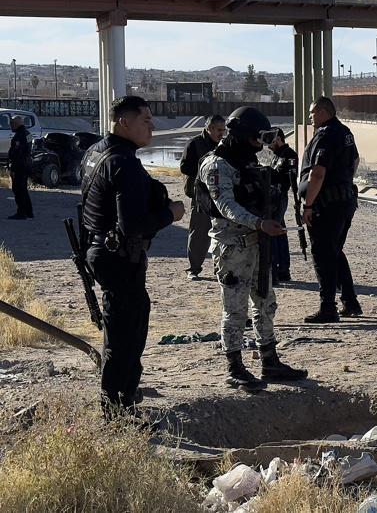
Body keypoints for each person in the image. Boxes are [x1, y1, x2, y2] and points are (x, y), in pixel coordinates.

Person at [80, 96, 185, 419]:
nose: (153, 126)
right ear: (125, 123)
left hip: (104, 253)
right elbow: (134, 224)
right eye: (146, 120)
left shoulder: (96, 152)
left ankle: (123, 401)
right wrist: (171, 213)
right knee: (124, 337)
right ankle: (116, 413)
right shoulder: (123, 163)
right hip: (118, 258)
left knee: (131, 324)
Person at [196, 106, 307, 391]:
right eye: (258, 139)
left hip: (258, 245)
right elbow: (225, 205)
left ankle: (269, 360)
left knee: (266, 302)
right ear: (243, 135)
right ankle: (234, 367)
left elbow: (274, 178)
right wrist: (258, 223)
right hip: (232, 247)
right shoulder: (216, 164)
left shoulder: (247, 161)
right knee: (235, 311)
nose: (260, 145)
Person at [299, 96, 362, 323]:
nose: (310, 118)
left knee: (323, 254)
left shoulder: (325, 135)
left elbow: (318, 173)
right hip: (344, 200)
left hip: (327, 204)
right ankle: (350, 301)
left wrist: (308, 205)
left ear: (324, 112)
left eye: (312, 113)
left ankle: (328, 308)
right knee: (335, 250)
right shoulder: (345, 132)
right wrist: (344, 182)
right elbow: (355, 162)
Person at [180, 115, 227, 280]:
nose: (222, 133)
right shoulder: (194, 143)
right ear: (209, 128)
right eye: (219, 130)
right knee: (199, 233)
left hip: (221, 196)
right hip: (200, 195)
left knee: (222, 232)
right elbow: (185, 166)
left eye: (224, 130)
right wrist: (205, 174)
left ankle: (219, 268)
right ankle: (193, 269)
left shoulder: (224, 145)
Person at [267, 128, 298, 284]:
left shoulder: (289, 155)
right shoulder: (277, 156)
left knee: (275, 231)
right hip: (273, 197)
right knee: (279, 231)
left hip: (280, 197)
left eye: (271, 142)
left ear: (278, 139)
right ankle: (282, 269)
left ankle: (279, 269)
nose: (268, 146)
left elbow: (288, 180)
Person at [7, 115, 33, 220]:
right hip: (26, 165)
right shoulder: (27, 133)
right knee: (23, 189)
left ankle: (21, 212)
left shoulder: (19, 136)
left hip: (20, 166)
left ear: (17, 124)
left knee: (18, 189)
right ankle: (28, 212)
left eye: (12, 123)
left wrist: (13, 169)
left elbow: (17, 153)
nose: (11, 126)